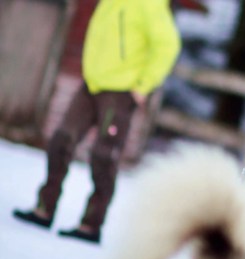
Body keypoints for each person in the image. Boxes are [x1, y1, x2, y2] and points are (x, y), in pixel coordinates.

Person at [12, 0, 182, 244]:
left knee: (104, 155)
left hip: (121, 91)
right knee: (61, 139)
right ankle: (43, 208)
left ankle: (90, 225)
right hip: (91, 84)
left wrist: (143, 86)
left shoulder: (150, 4)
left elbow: (168, 46)